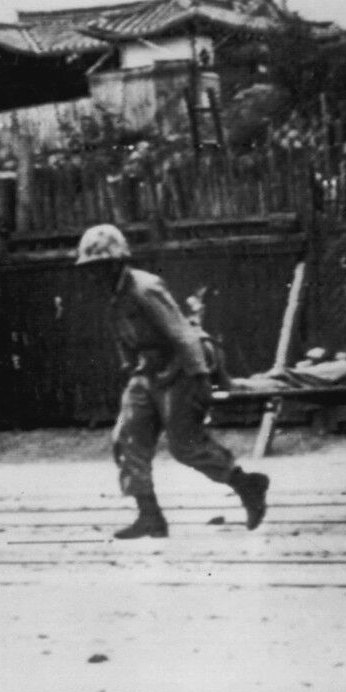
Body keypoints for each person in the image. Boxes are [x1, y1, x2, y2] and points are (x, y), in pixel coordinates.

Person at [75, 224, 270, 539]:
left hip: (182, 365)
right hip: (148, 368)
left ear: (117, 262)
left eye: (101, 266)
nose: (95, 274)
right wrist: (130, 369)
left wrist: (201, 378)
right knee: (127, 436)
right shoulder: (112, 294)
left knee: (185, 446)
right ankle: (149, 515)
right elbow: (123, 336)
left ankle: (247, 485)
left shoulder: (144, 288)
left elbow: (182, 334)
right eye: (90, 268)